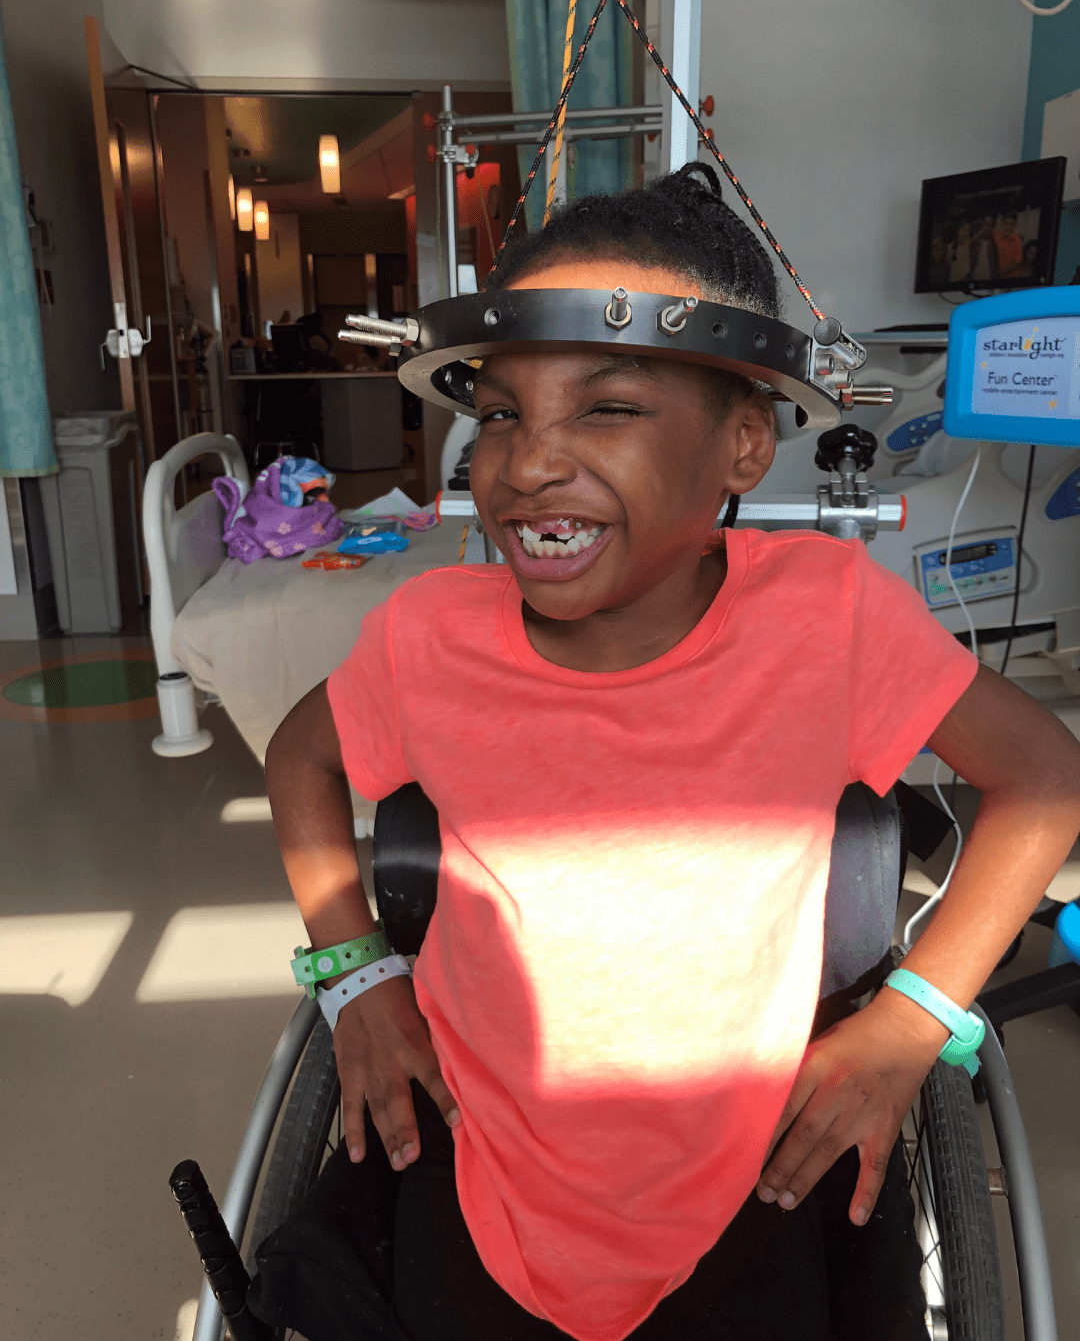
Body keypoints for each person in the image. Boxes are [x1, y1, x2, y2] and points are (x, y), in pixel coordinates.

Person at [256, 164, 1080, 1341]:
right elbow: (302, 762)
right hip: (490, 1146)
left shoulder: (827, 619)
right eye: (499, 413)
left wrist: (910, 1020)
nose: (528, 460)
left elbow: (1044, 776)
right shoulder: (430, 637)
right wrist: (357, 975)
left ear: (744, 448)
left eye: (606, 409)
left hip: (748, 1164)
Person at [994, 212, 1025, 279]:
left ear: (1015, 225)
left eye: (1012, 224)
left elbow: (1017, 263)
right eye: (1007, 223)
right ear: (1002, 223)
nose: (1009, 227)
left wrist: (999, 272)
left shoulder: (1017, 240)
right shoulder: (995, 236)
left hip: (1011, 277)